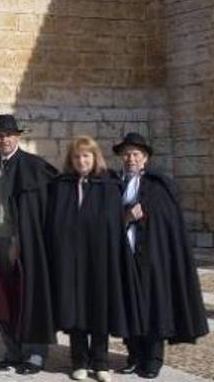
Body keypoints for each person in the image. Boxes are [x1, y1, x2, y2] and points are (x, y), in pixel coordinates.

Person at [114, 133, 208, 379]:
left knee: (154, 307)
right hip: (126, 257)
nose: (130, 158)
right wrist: (126, 216)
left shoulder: (158, 185)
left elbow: (166, 220)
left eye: (135, 154)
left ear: (145, 159)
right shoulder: (115, 184)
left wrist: (145, 215)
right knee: (130, 308)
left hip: (152, 258)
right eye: (126, 154)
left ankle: (153, 360)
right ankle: (134, 356)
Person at [0, 114, 57, 375]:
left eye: (9, 135)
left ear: (18, 137)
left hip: (27, 247)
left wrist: (24, 242)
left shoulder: (35, 167)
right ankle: (12, 351)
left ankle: (34, 354)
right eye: (0, 136)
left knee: (31, 298)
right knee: (3, 300)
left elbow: (48, 210)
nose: (4, 140)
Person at [47, 136, 128, 382]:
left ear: (94, 158)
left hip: (100, 261)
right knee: (75, 310)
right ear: (71, 160)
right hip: (71, 261)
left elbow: (114, 226)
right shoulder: (62, 185)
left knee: (99, 309)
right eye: (77, 156)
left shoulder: (108, 185)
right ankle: (79, 361)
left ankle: (101, 362)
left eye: (86, 156)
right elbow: (54, 223)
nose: (81, 160)